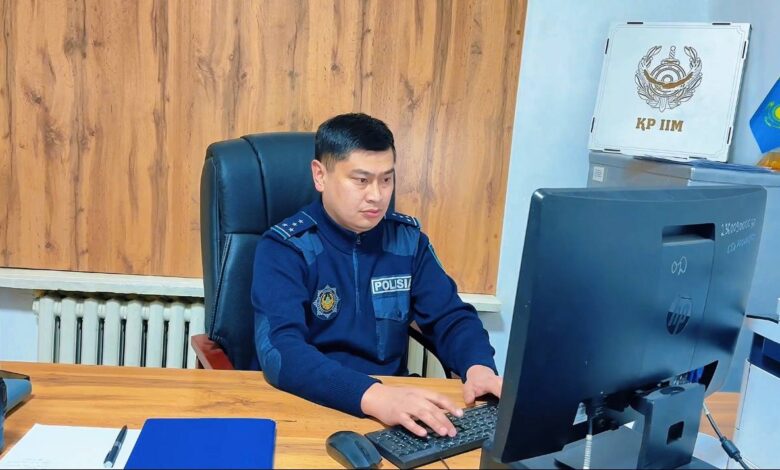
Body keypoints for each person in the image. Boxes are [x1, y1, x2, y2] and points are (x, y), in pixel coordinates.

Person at [252, 113, 501, 438]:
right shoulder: (287, 247)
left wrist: (478, 366)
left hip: (391, 407)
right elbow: (281, 350)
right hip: (311, 403)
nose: (377, 195)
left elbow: (450, 317)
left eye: (386, 180)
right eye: (361, 180)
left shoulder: (407, 242)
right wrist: (374, 396)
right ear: (320, 175)